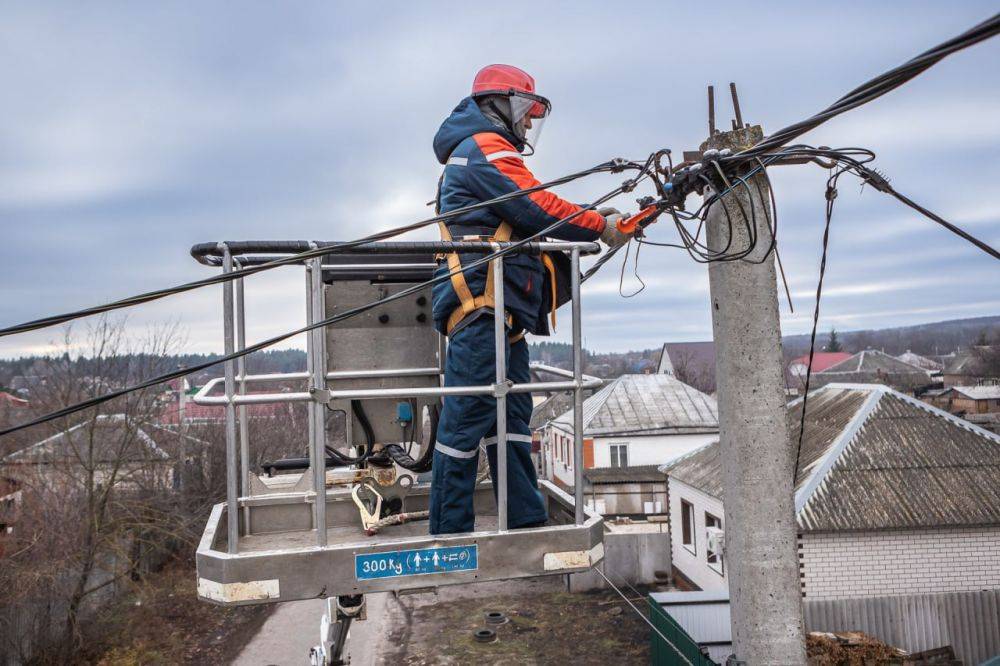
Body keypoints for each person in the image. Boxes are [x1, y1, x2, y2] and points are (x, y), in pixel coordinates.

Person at [428, 64, 630, 534]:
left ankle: (523, 517)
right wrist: (598, 224)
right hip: (481, 308)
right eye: (527, 110)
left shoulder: (481, 148)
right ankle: (449, 531)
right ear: (498, 105)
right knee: (468, 416)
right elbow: (535, 206)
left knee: (513, 412)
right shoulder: (483, 147)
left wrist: (591, 219)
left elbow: (531, 206)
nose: (531, 122)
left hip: (500, 313)